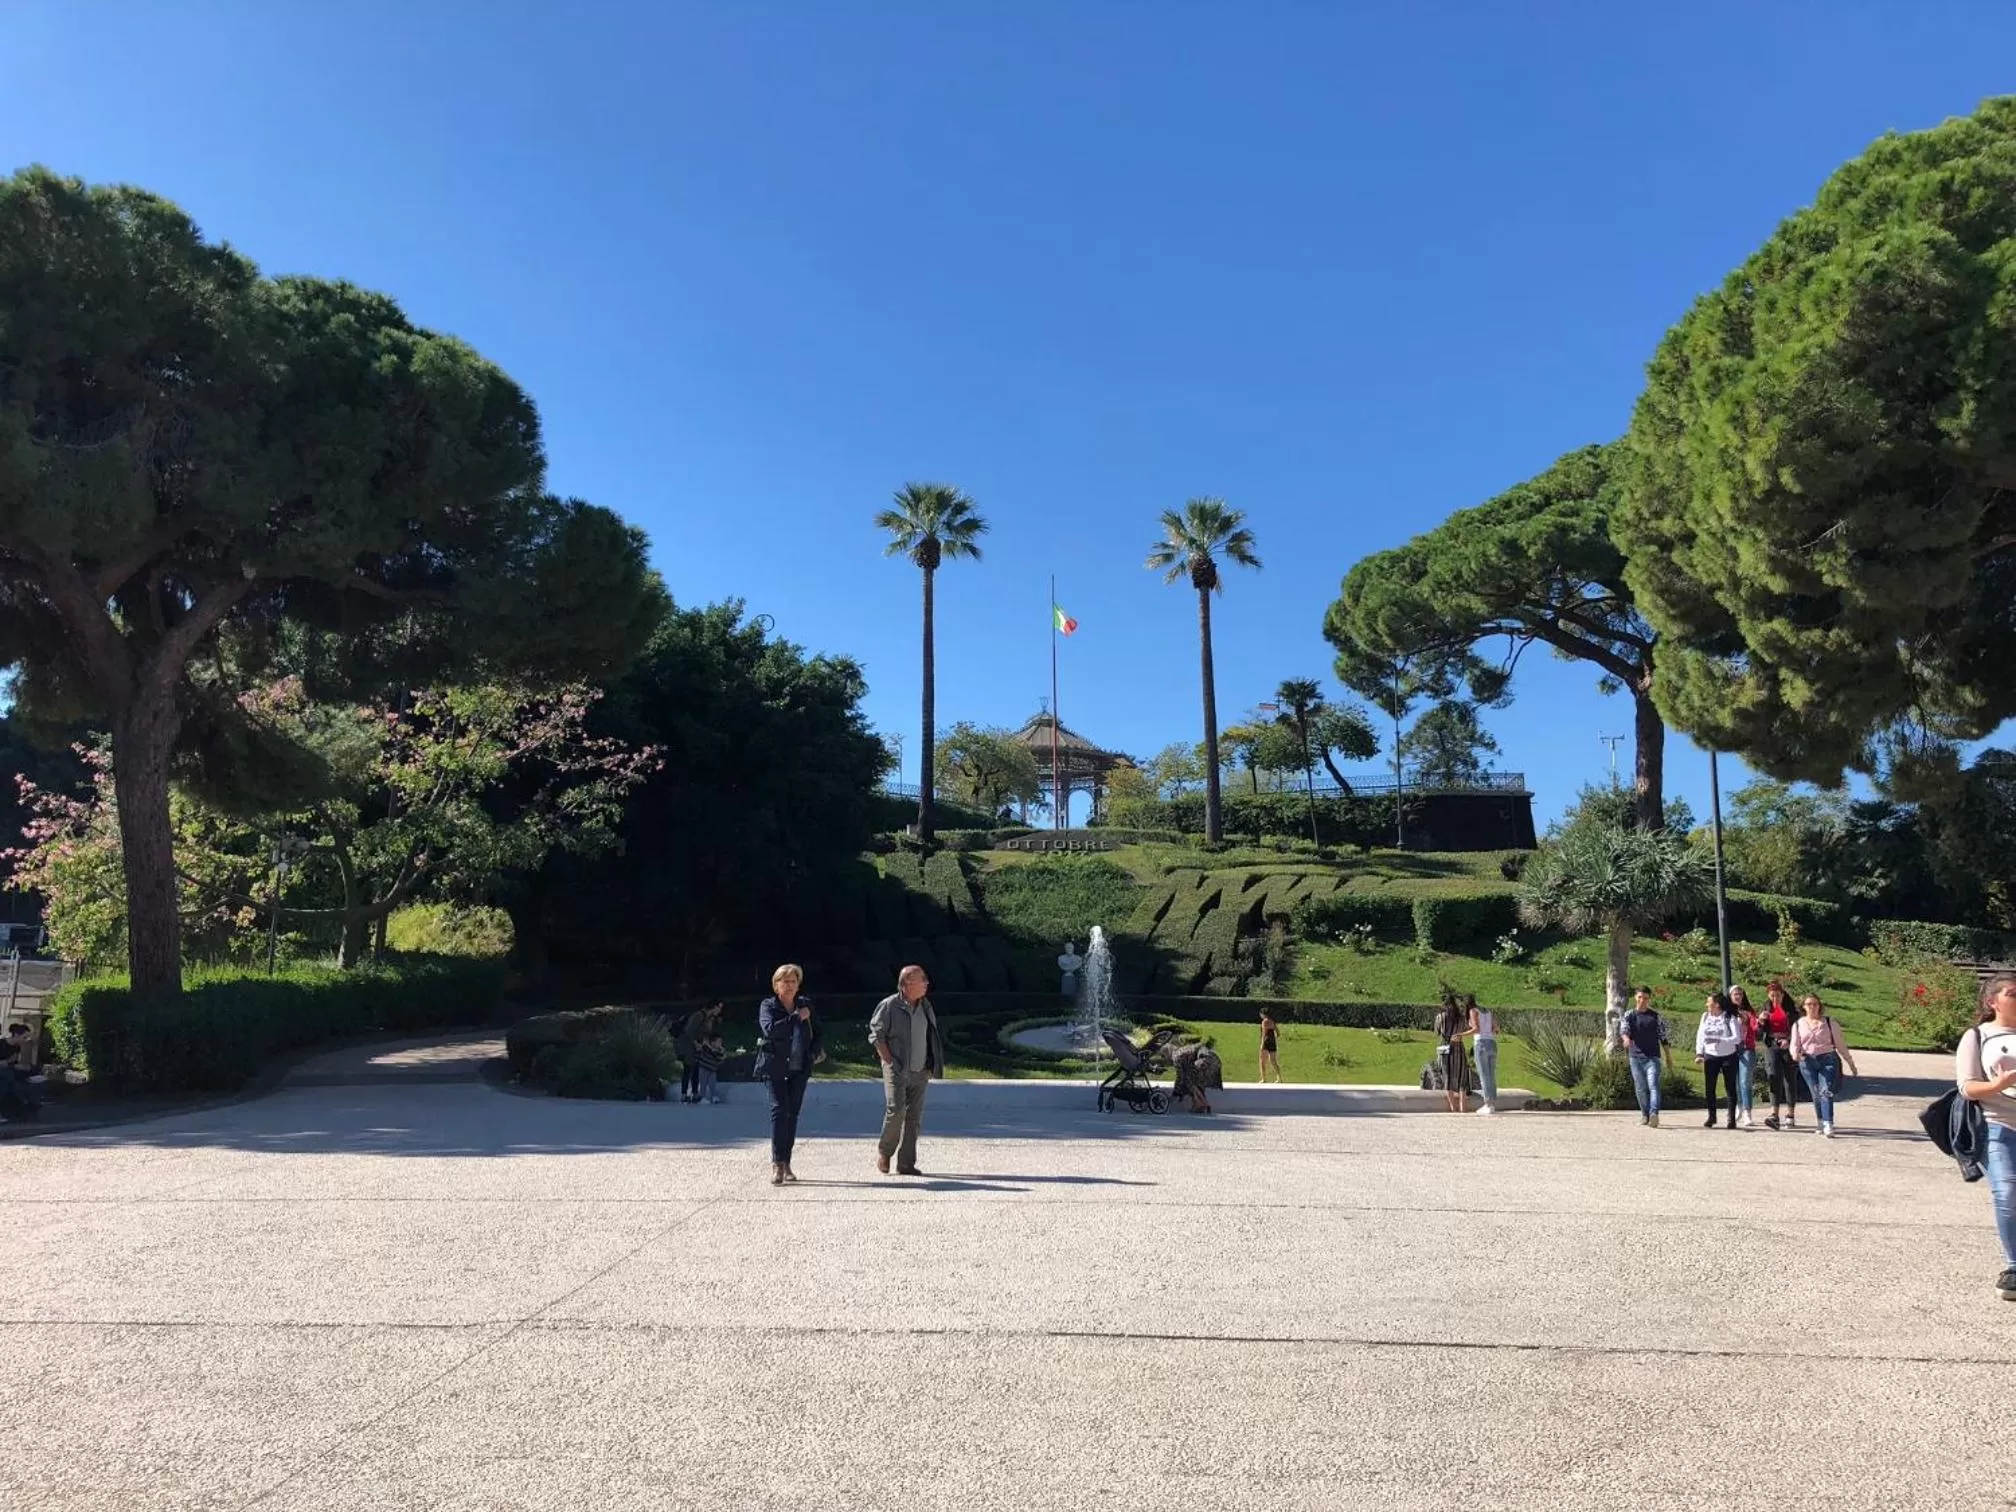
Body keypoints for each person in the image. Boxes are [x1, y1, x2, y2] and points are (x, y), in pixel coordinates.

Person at [1956, 974, 2016, 1301]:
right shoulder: (1977, 1036)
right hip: (1997, 1125)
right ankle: (2013, 1266)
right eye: (2013, 993)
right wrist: (1998, 1084)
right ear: (1992, 1001)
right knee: (2006, 1192)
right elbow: (1967, 1087)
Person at [869, 964, 945, 1176]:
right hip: (896, 1069)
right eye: (923, 979)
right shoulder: (889, 1005)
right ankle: (885, 1152)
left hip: (921, 1070)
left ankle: (906, 1164)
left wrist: (931, 1064)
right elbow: (876, 1035)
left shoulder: (926, 1005)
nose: (927, 983)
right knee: (897, 1110)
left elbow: (931, 1034)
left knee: (914, 1117)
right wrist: (889, 1060)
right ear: (907, 983)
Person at [756, 966, 822, 1185]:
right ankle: (777, 1163)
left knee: (792, 1114)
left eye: (793, 981)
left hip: (799, 1067)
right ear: (776, 985)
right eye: (784, 981)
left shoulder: (806, 1005)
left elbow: (819, 1032)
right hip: (774, 1066)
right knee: (779, 1111)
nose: (789, 985)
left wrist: (812, 1054)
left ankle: (787, 1162)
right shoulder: (768, 1006)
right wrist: (795, 1018)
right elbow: (770, 1030)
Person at [1790, 993, 1858, 1138]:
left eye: (1815, 1004)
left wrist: (1850, 1063)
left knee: (1825, 1091)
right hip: (1807, 1061)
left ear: (1820, 1006)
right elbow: (1794, 1044)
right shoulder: (1798, 1024)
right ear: (1804, 1007)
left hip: (1827, 1060)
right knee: (1815, 1093)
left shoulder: (1829, 1023)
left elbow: (1840, 1045)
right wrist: (1795, 1055)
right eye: (1809, 1004)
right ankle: (1820, 1120)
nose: (1813, 1007)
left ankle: (1828, 1123)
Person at [1620, 987, 1671, 1127]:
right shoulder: (1629, 1014)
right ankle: (1644, 1115)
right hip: (1635, 1057)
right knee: (1640, 1088)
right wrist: (1626, 1039)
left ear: (1649, 999)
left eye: (1646, 998)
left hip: (1652, 1057)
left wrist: (1668, 1056)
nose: (1643, 1000)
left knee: (1653, 1085)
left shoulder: (1655, 1016)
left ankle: (1654, 1113)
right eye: (1640, 997)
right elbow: (1624, 1029)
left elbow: (1663, 1036)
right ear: (1635, 997)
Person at [1694, 991, 1744, 1130]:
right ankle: (1711, 1116)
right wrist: (1699, 1053)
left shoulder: (1729, 1018)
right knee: (1710, 1088)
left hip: (1728, 1055)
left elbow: (1737, 1039)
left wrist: (1719, 1039)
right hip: (1711, 1056)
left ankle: (1731, 1118)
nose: (1707, 1004)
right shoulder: (1705, 1017)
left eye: (1709, 1002)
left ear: (1717, 1004)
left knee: (1730, 1088)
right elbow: (1700, 1036)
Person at [1757, 982, 1802, 1129]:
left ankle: (1790, 1114)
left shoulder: (1792, 1011)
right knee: (1774, 1077)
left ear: (1783, 994)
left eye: (1777, 995)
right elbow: (1758, 1034)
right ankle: (1774, 1114)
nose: (1775, 998)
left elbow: (1799, 1030)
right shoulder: (1766, 1009)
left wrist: (1788, 1040)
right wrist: (1761, 1021)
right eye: (1772, 996)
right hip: (1772, 1046)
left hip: (1789, 1046)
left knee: (1790, 1079)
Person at [676, 1001, 722, 1104]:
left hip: (699, 1047)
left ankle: (695, 1093)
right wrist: (695, 1043)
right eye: (719, 1007)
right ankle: (684, 1094)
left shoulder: (710, 1019)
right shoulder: (699, 1015)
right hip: (689, 1045)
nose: (720, 1010)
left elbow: (706, 1034)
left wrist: (707, 1044)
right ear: (713, 1007)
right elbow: (688, 1030)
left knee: (697, 1068)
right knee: (688, 1068)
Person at [1434, 994, 1471, 1114]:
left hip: (1446, 1048)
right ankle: (1462, 1107)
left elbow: (1437, 1032)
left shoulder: (1441, 1017)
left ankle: (1453, 1107)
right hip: (1459, 1047)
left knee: (1447, 1077)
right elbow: (1465, 1029)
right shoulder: (1461, 1018)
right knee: (1461, 1078)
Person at [1728, 985, 1758, 1128]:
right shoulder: (1726, 1013)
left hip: (1747, 1048)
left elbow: (1755, 1026)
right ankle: (1738, 1106)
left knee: (1745, 1080)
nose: (1738, 996)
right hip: (1730, 1050)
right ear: (1730, 996)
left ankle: (1747, 1112)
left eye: (1740, 994)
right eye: (1735, 994)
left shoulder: (1749, 1012)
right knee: (1734, 1082)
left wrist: (1759, 1022)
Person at [0, 1021, 41, 1123]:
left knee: (31, 1073)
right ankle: (24, 1103)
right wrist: (8, 1062)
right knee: (8, 1080)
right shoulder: (1, 1044)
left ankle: (29, 1103)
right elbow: (6, 1063)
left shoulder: (17, 1047)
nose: (25, 1041)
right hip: (3, 1072)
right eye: (24, 1037)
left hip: (10, 1071)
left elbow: (14, 1063)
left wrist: (21, 1067)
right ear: (17, 1035)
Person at [1465, 994, 1499, 1116]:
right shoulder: (1488, 1012)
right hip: (1492, 1043)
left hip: (1481, 1043)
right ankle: (1492, 1103)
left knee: (1483, 1074)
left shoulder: (1473, 1011)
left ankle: (1488, 1104)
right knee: (1491, 1074)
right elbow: (1496, 1029)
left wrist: (1461, 1035)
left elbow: (1476, 1029)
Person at [692, 1025, 726, 1105]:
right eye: (719, 1042)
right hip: (704, 1068)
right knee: (703, 1083)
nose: (720, 1044)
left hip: (712, 1069)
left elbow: (720, 1058)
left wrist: (722, 1053)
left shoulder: (718, 1051)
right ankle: (702, 1097)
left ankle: (713, 1096)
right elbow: (700, 1050)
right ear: (713, 1042)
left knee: (712, 1083)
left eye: (721, 1042)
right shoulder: (706, 1048)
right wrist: (706, 1045)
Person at [1258, 1011, 1282, 1084]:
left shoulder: (1264, 1022)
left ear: (1263, 1014)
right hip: (1272, 1042)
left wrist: (1262, 1044)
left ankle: (1264, 1079)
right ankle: (1279, 1078)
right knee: (1273, 1061)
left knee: (1262, 1060)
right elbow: (1278, 1033)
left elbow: (1264, 1033)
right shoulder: (1272, 1021)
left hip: (1266, 1042)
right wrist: (1273, 1038)